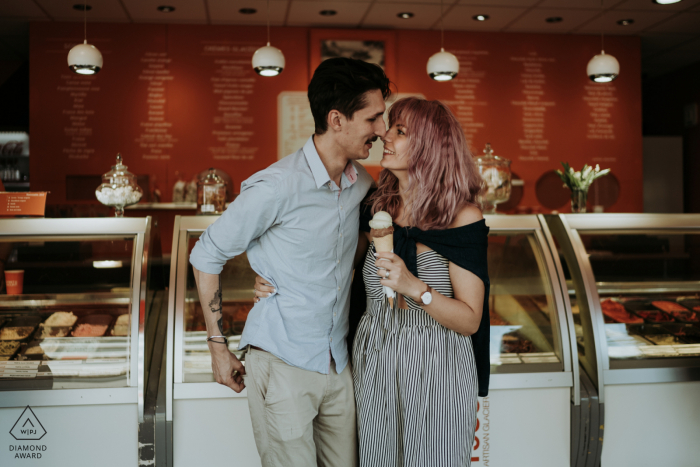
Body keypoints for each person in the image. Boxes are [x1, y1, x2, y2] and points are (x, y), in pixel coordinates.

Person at [258, 97, 491, 466]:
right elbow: (334, 266)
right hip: (375, 355)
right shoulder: (374, 205)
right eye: (389, 127)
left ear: (431, 144)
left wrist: (414, 287)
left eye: (400, 131)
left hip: (436, 361)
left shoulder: (461, 217)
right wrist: (277, 279)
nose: (385, 135)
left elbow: (470, 319)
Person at [189, 57, 391, 467]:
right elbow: (206, 253)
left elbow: (354, 249)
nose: (382, 131)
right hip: (282, 362)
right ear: (336, 119)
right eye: (374, 118)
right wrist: (217, 347)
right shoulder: (276, 186)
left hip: (338, 362)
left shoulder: (362, 184)